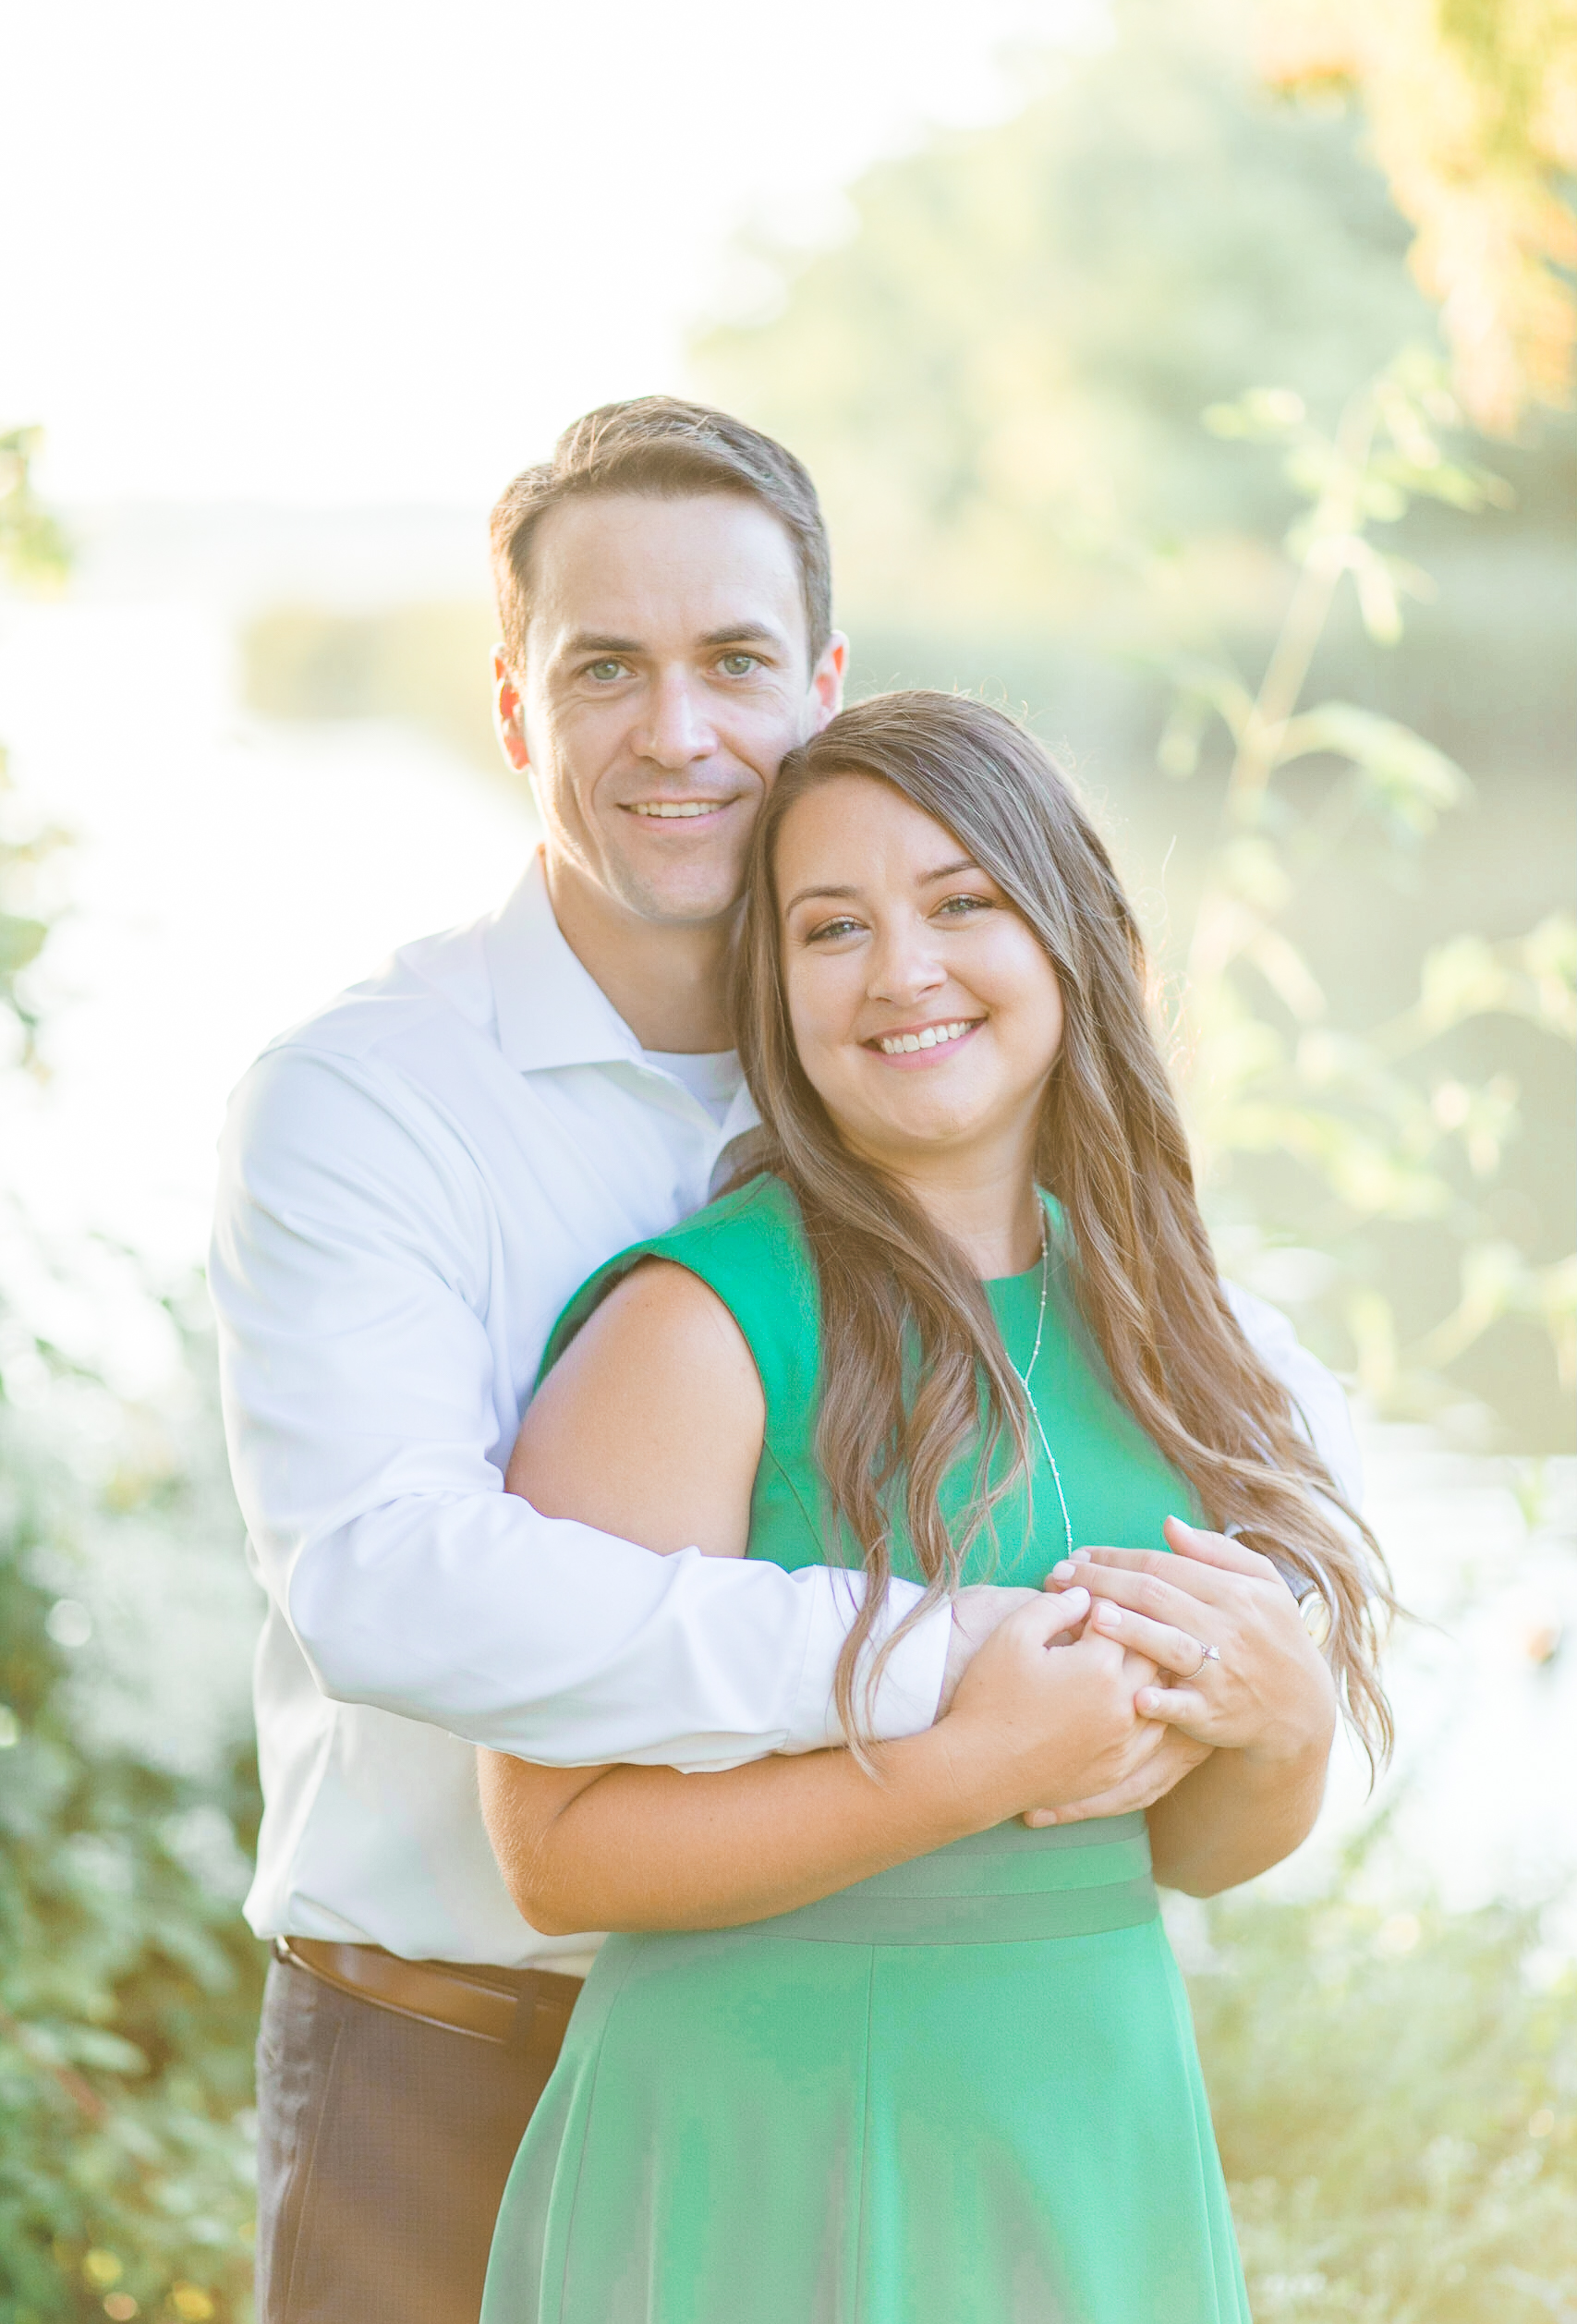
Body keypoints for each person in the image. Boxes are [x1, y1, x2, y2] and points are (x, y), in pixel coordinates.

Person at [211, 399, 1363, 2324]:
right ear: (513, 710)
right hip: (457, 2036)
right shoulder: (365, 1098)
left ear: (818, 683)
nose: (677, 730)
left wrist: (1277, 1671)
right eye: (604, 670)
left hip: (960, 2053)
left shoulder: (903, 1045)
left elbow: (1247, 1492)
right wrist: (952, 1673)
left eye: (732, 659)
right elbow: (386, 1583)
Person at [476, 692, 1390, 2324]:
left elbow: (1188, 1850)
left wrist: (1288, 1715)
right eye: (834, 928)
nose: (903, 970)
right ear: (776, 992)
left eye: (961, 902)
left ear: (1069, 933)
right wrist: (966, 1767)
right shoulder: (695, 1330)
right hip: (761, 2139)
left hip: (1084, 2129)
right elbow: (551, 1851)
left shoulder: (1169, 1324)